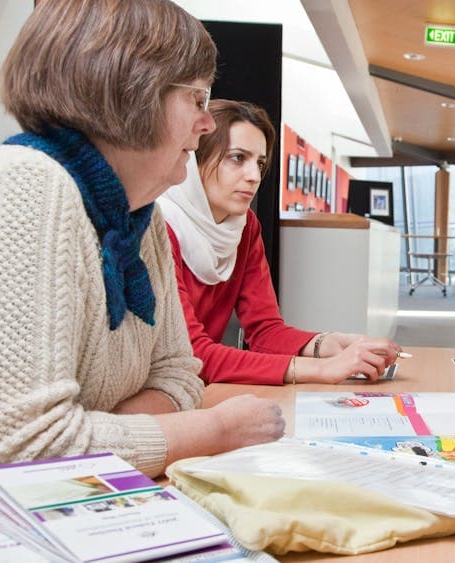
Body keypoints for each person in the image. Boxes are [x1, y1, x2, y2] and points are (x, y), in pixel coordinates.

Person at [0, 0, 284, 488]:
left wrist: (94, 437)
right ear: (131, 92)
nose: (205, 127)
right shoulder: (26, 186)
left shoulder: (143, 218)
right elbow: (19, 454)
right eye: (197, 101)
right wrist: (213, 429)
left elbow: (181, 375)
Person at [158, 100, 401, 385]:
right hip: (152, 395)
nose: (254, 176)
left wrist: (328, 343)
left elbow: (265, 330)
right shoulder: (158, 227)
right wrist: (323, 369)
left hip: (195, 389)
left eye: (259, 163)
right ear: (195, 157)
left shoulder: (245, 226)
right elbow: (193, 354)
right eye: (237, 158)